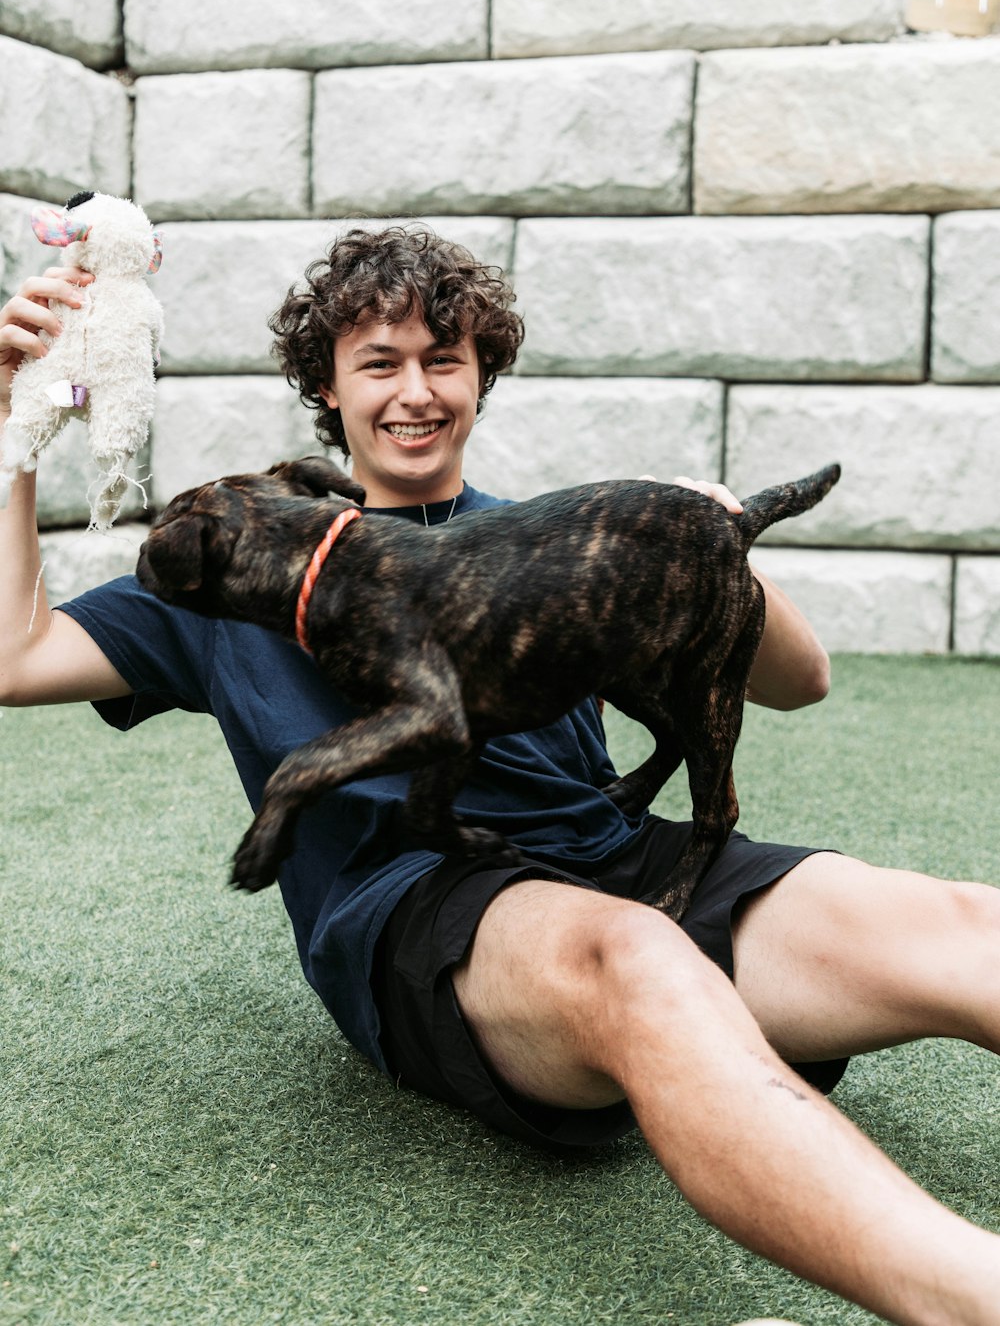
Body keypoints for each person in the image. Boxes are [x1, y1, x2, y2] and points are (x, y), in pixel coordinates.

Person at [1, 226, 999, 1326]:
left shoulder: (555, 533)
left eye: (446, 359)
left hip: (618, 853)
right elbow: (16, 655)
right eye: (379, 364)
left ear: (483, 377)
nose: (415, 392)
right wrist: (16, 428)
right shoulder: (234, 564)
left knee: (965, 925)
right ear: (326, 389)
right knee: (637, 955)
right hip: (430, 910)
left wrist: (707, 543)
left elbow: (798, 683)